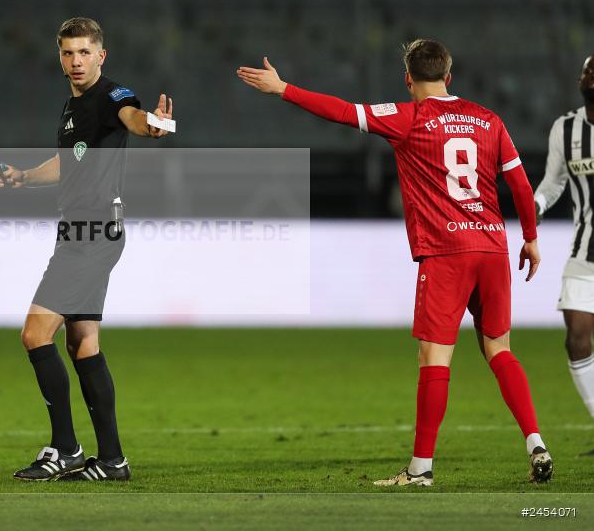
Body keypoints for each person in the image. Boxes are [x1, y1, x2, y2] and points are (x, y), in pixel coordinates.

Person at [237, 39, 553, 485]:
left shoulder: (409, 118)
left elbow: (343, 111)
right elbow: (521, 186)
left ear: (408, 79)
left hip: (445, 255)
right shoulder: (488, 119)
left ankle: (421, 470)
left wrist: (284, 88)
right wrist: (532, 239)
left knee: (434, 358)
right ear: (449, 75)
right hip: (492, 249)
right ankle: (535, 442)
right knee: (499, 350)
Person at [0, 17, 172, 482]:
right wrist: (24, 177)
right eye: (68, 54)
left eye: (84, 53)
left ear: (101, 55)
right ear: (60, 57)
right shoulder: (73, 109)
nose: (75, 62)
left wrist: (151, 125)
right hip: (79, 230)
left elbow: (131, 117)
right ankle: (112, 461)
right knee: (82, 342)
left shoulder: (111, 96)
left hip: (93, 233)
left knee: (35, 335)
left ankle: (66, 449)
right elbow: (68, 163)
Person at [533, 54, 594, 448]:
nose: (591, 77)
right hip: (585, 250)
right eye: (589, 71)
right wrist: (535, 206)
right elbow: (553, 182)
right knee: (577, 337)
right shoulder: (566, 129)